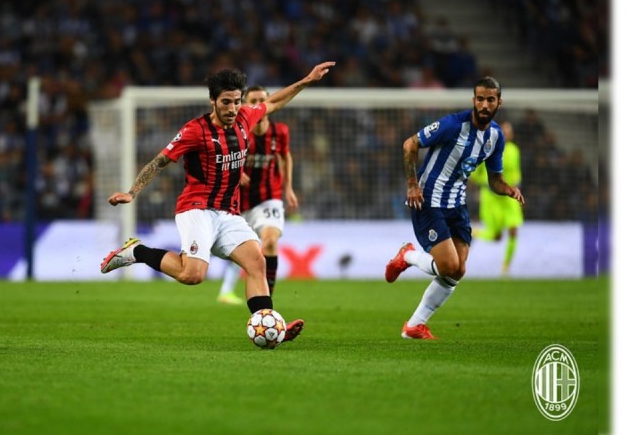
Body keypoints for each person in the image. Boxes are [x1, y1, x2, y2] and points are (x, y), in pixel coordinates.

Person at [100, 61, 336, 343]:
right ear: (213, 100)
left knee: (256, 262)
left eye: (237, 101)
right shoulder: (194, 131)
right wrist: (132, 192)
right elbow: (160, 161)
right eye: (226, 102)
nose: (232, 108)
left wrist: (307, 79)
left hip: (228, 213)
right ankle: (137, 251)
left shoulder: (246, 118)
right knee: (192, 275)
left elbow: (274, 101)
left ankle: (270, 326)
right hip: (196, 209)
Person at [384, 76, 524, 339]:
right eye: (480, 99)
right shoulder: (451, 125)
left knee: (458, 270)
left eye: (490, 100)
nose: (484, 104)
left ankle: (414, 326)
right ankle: (409, 256)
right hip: (427, 201)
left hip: (456, 204)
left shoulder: (496, 136)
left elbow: (494, 178)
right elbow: (409, 144)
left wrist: (507, 189)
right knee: (448, 265)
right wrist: (412, 184)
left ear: (498, 103)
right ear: (473, 100)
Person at [216, 85, 298, 305]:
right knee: (241, 248)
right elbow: (222, 155)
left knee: (270, 242)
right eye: (252, 100)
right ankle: (225, 291)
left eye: (261, 99)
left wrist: (288, 187)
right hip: (238, 200)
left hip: (268, 196)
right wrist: (237, 171)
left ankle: (267, 297)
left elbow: (285, 156)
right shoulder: (239, 131)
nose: (256, 104)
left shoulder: (280, 131)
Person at [468, 120, 523, 276]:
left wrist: (515, 184)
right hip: (491, 198)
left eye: (508, 131)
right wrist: (487, 183)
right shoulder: (487, 149)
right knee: (496, 236)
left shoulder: (514, 151)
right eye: (503, 131)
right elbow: (474, 175)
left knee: (513, 230)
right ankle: (474, 233)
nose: (506, 133)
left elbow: (517, 172)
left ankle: (505, 268)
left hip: (508, 197)